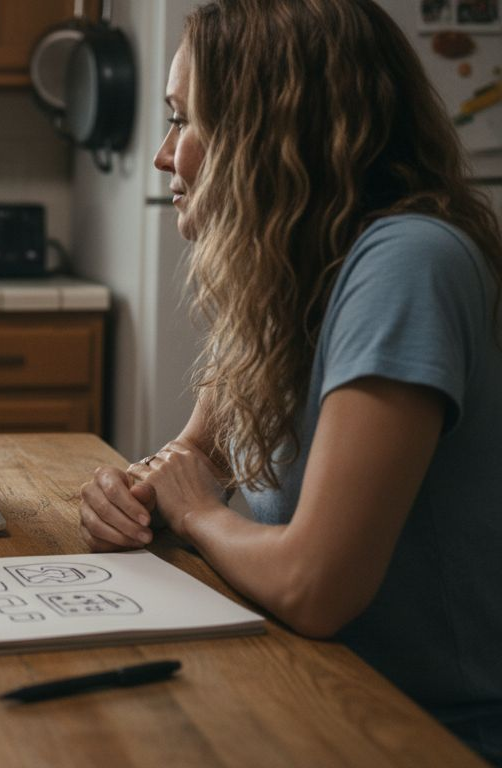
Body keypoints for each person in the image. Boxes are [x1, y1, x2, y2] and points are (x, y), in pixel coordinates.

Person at [77, 1, 502, 761]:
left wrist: (198, 514)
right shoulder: (285, 275)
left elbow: (314, 585)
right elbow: (188, 466)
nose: (164, 155)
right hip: (314, 684)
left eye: (184, 120)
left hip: (429, 730)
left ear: (270, 133)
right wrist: (130, 500)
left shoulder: (409, 262)